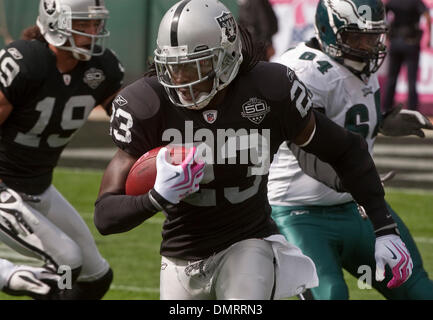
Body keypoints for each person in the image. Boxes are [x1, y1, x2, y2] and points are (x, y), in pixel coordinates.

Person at [94, 0, 412, 300]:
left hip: (247, 241)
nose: (181, 80)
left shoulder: (270, 89)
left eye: (195, 67)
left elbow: (345, 150)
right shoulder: (147, 104)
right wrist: (155, 198)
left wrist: (384, 228)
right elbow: (105, 217)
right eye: (173, 67)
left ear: (227, 56)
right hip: (180, 255)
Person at [268, 0, 433, 300]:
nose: (368, 45)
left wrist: (383, 122)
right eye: (357, 36)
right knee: (330, 295)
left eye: (374, 36)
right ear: (330, 33)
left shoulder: (359, 65)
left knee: (418, 289)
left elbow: (345, 121)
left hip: (356, 208)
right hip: (299, 212)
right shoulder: (303, 70)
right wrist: (359, 180)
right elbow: (308, 148)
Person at [0, 0, 124, 299]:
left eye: (96, 24)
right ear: (55, 22)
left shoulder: (101, 67)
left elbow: (130, 123)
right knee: (67, 264)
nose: (93, 32)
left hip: (38, 187)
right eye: (83, 24)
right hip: (3, 184)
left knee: (96, 278)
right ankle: (10, 275)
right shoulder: (26, 62)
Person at [382, 0, 432, 112]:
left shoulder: (393, 2)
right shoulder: (415, 2)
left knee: (391, 79)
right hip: (411, 42)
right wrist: (428, 35)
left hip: (395, 41)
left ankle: (386, 109)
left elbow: (383, 14)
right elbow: (427, 16)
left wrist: (386, 35)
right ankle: (412, 111)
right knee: (412, 80)